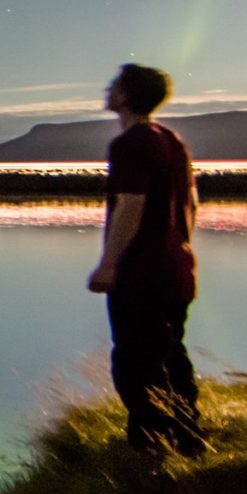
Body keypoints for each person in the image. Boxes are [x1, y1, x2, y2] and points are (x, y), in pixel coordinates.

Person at [87, 63, 205, 455]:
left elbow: (130, 206)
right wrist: (179, 245)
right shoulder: (172, 140)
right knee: (171, 357)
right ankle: (188, 438)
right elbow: (191, 203)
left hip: (142, 277)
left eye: (114, 83)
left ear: (126, 95)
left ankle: (151, 448)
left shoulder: (130, 144)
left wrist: (109, 263)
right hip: (177, 272)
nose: (108, 88)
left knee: (135, 366)